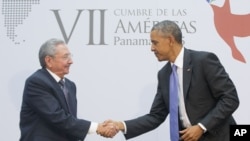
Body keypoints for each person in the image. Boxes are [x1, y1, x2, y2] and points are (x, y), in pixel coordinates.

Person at [103, 20, 240, 141]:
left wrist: (201, 127)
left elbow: (230, 98)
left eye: (154, 43)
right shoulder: (164, 74)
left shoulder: (203, 61)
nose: (152, 48)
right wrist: (121, 125)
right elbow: (155, 116)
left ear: (170, 40)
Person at [19, 38, 118, 141]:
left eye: (70, 56)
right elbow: (57, 117)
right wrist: (97, 127)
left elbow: (70, 121)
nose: (71, 61)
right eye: (65, 57)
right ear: (49, 60)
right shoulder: (36, 82)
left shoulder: (70, 85)